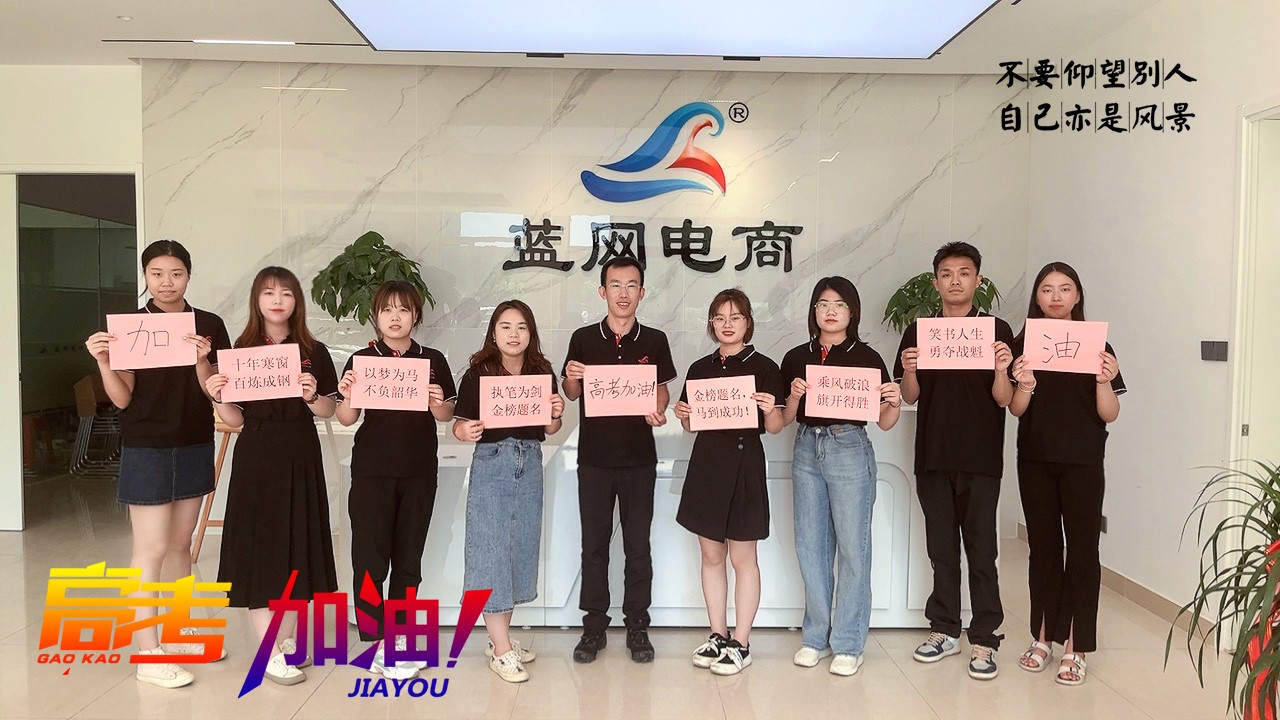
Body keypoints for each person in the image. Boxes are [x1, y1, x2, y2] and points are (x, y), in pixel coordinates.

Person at [83, 239, 231, 689]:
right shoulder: (130, 327)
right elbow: (123, 398)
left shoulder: (209, 324)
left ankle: (181, 633)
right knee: (149, 550)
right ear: (145, 276)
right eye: (157, 274)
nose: (167, 283)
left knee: (181, 547)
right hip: (146, 446)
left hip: (194, 442)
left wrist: (203, 361)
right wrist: (104, 362)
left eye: (176, 273)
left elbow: (217, 391)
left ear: (189, 275)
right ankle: (148, 652)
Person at [205, 267, 339, 687]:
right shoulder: (242, 350)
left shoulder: (314, 351)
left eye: (286, 293)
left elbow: (330, 409)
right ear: (257, 301)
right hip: (258, 454)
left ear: (297, 301)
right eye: (268, 293)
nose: (277, 300)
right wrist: (217, 396)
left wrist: (311, 395)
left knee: (297, 544)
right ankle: (269, 650)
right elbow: (234, 419)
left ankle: (287, 641)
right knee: (261, 549)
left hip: (300, 451)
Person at [893, 241, 1014, 680]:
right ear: (936, 282)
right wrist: (909, 368)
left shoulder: (996, 330)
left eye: (964, 273)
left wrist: (1001, 368)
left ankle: (984, 637)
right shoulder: (920, 331)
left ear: (978, 280)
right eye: (947, 274)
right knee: (941, 550)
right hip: (933, 456)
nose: (955, 281)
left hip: (981, 458)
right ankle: (944, 629)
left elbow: (1005, 399)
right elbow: (909, 396)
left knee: (982, 551)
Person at [780, 276, 901, 676]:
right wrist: (795, 396)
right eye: (823, 304)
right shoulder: (796, 357)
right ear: (813, 311)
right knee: (810, 545)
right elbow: (784, 418)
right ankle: (816, 637)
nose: (830, 312)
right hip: (806, 447)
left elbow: (885, 421)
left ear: (852, 312)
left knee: (853, 548)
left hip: (848, 446)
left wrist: (893, 401)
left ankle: (848, 643)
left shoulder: (866, 357)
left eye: (839, 305)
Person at [1010, 262, 1124, 687]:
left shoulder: (1097, 345)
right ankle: (1042, 638)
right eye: (1047, 289)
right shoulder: (1024, 343)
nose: (1055, 297)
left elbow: (1110, 413)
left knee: (1082, 552)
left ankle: (1076, 647)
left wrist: (1104, 380)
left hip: (1083, 462)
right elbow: (1015, 409)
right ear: (1037, 298)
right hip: (1035, 459)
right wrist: (1024, 382)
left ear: (1077, 296)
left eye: (1064, 288)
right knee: (1042, 549)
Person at [335, 280, 456, 680]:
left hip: (418, 471)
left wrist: (436, 400)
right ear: (376, 316)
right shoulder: (362, 360)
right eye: (387, 309)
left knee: (408, 559)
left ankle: (400, 636)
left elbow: (446, 415)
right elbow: (346, 418)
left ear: (415, 316)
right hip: (372, 471)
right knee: (369, 559)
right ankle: (374, 639)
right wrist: (347, 394)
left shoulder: (432, 359)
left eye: (403, 309)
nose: (395, 317)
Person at [560, 257, 676, 663]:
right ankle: (593, 626)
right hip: (594, 459)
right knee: (593, 546)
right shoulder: (583, 338)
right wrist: (571, 376)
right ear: (602, 291)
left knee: (637, 545)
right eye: (615, 285)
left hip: (639, 459)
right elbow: (571, 393)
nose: (623, 293)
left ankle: (637, 626)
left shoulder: (655, 340)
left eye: (631, 286)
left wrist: (658, 409)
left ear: (642, 292)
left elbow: (661, 391)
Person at [672, 288, 785, 676]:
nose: (727, 324)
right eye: (719, 318)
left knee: (743, 558)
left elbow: (775, 427)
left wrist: (770, 409)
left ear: (748, 323)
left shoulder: (765, 367)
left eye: (735, 317)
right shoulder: (700, 368)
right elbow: (691, 426)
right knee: (711, 556)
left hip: (744, 463)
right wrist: (684, 414)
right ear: (711, 324)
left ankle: (742, 642)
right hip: (707, 464)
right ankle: (718, 635)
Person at [452, 300, 564, 683]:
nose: (513, 334)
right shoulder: (478, 373)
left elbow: (550, 428)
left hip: (530, 462)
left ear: (531, 333)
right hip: (493, 462)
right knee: (490, 550)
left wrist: (556, 413)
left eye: (521, 327)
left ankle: (499, 639)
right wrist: (464, 431)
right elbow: (459, 425)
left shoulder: (541, 371)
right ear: (493, 333)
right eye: (505, 326)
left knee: (518, 549)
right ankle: (501, 650)